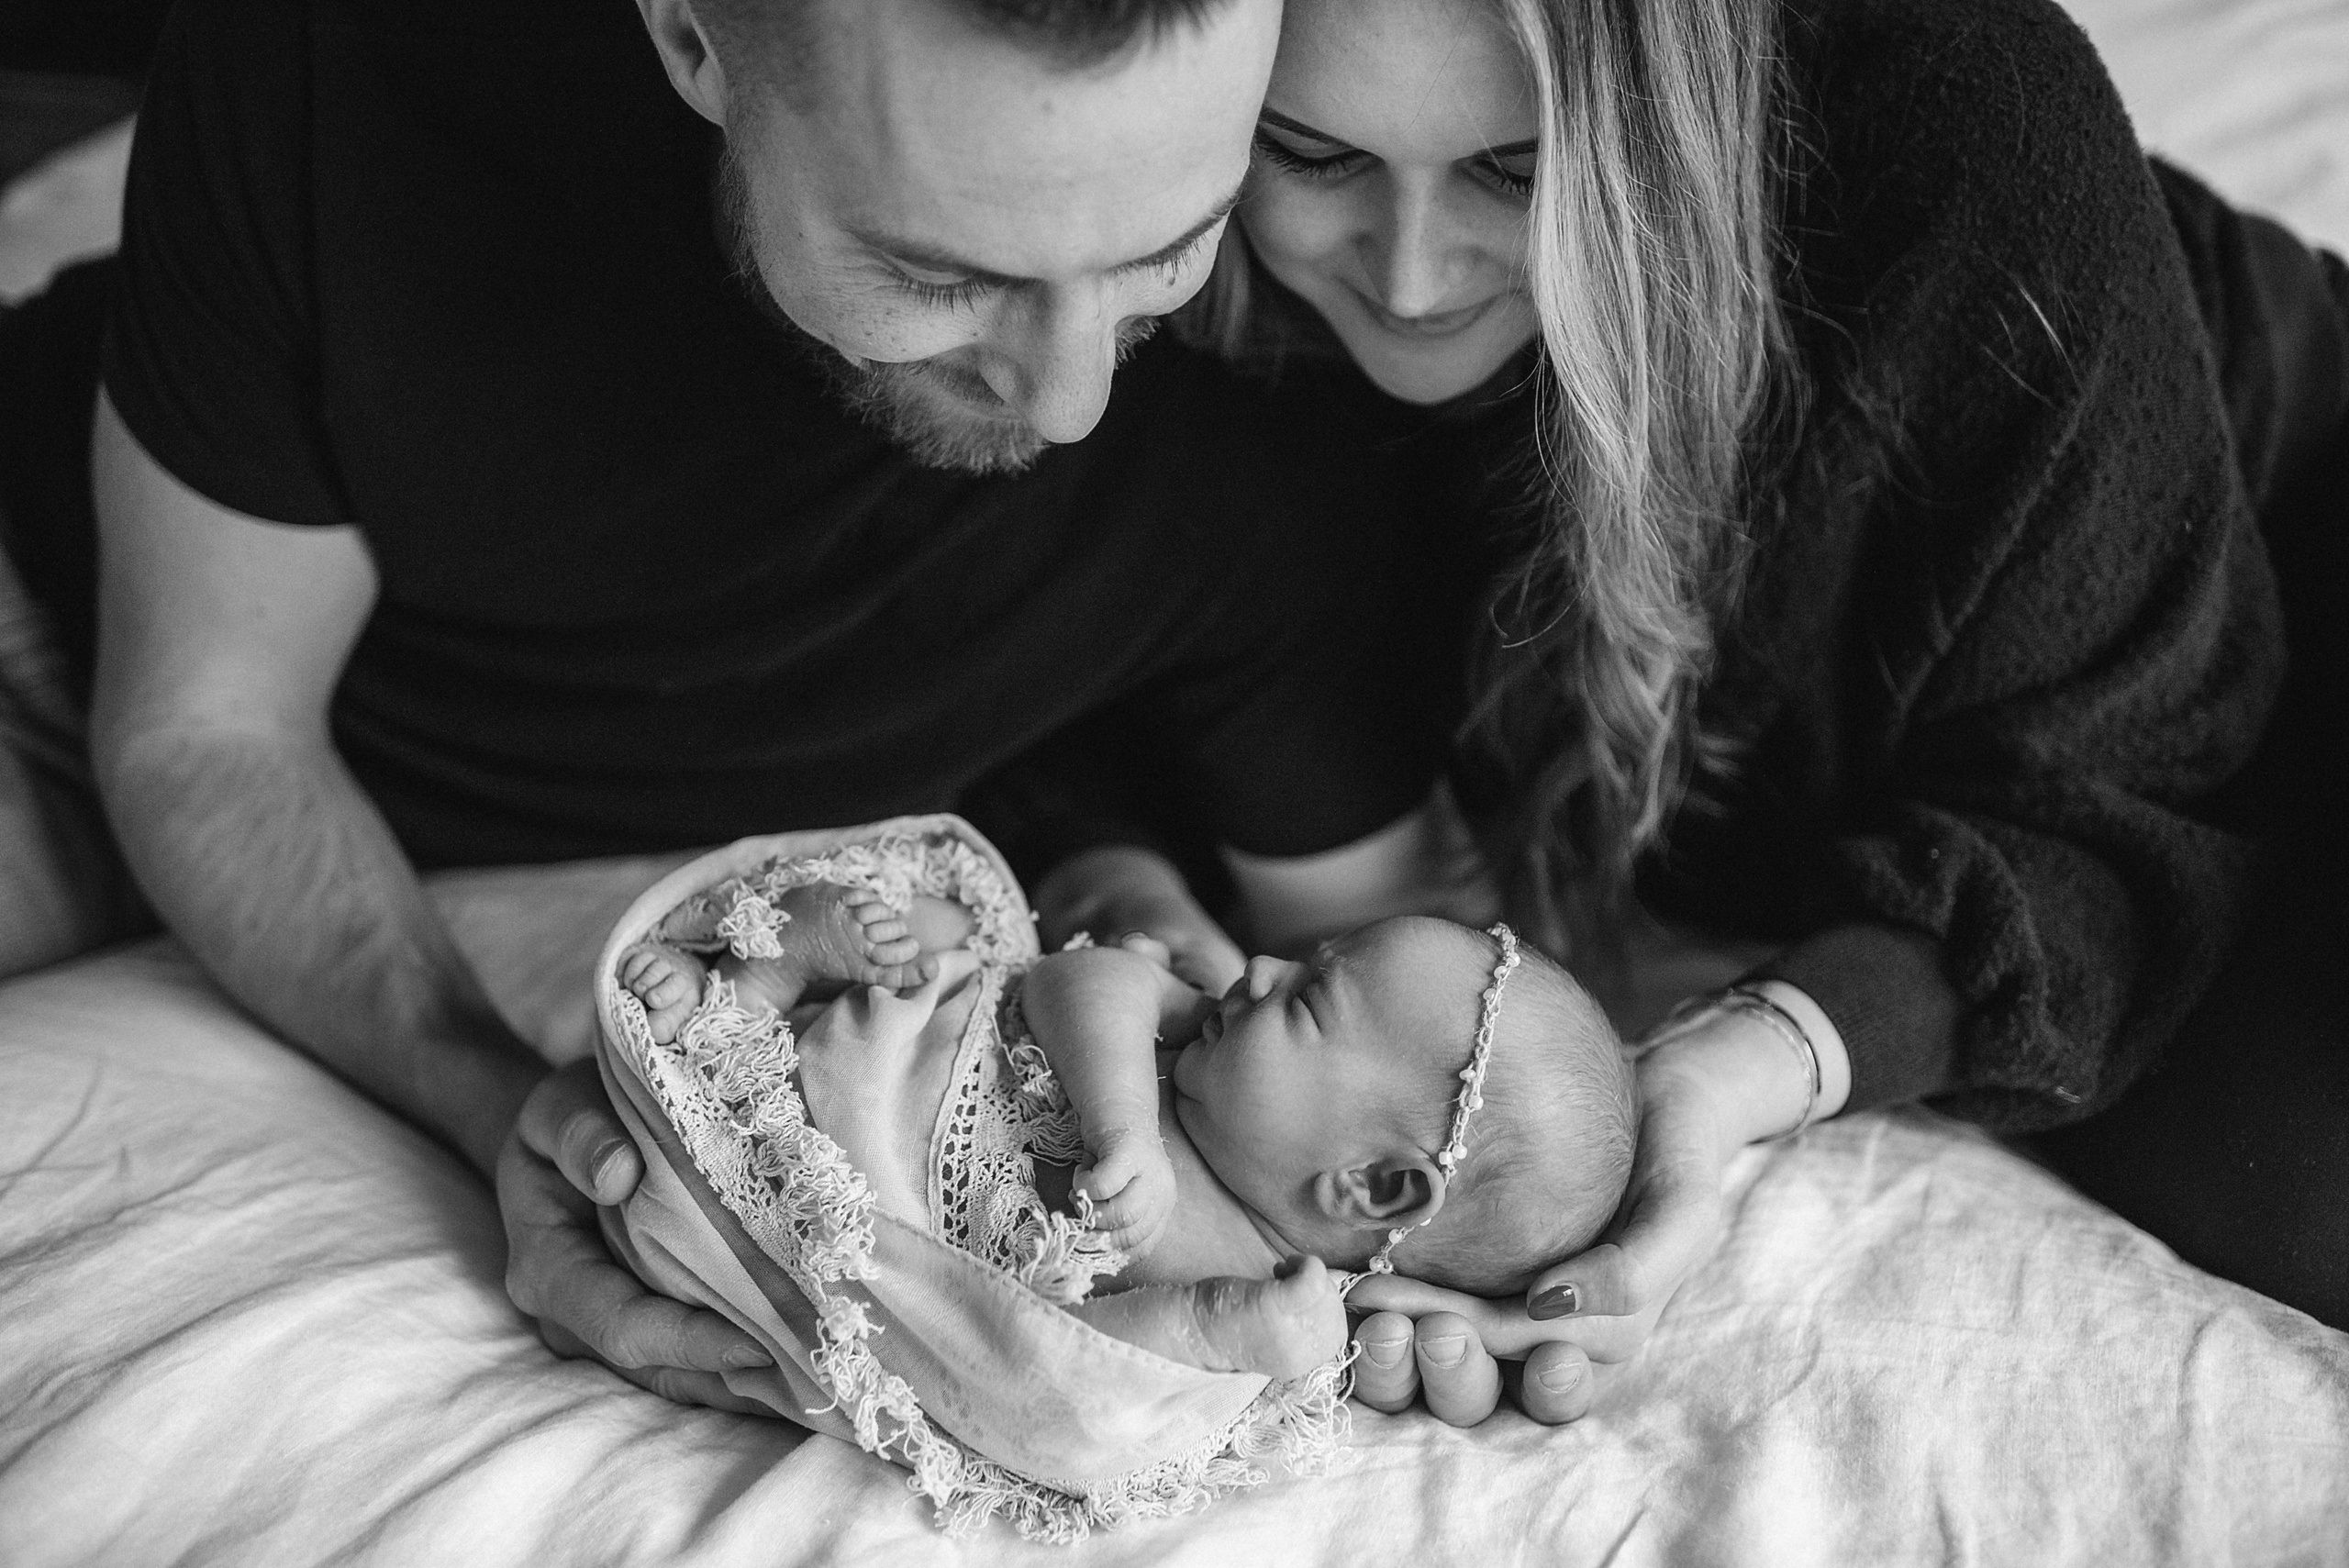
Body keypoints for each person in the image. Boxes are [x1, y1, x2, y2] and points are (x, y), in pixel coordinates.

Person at [0, 0, 1492, 1412]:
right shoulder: (360, 62)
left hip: (612, 894)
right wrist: (511, 1106)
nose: (1071, 397)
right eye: (938, 276)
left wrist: (1461, 1260)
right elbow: (207, 728)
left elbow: (1406, 1017)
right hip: (64, 653)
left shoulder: (1320, 394)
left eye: (1170, 250)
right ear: (693, 35)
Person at [1033, 0, 2337, 1428]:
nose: (1407, 280)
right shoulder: (1125, 248)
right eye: (1309, 152)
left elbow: (2109, 796)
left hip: (2253, 558)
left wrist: (1766, 1052)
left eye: (1518, 171)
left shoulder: (1952, 126)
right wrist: (1137, 924)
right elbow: (1054, 672)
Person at [609, 826, 1633, 1389]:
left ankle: (723, 1024)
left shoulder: (1277, 1292)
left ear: (1372, 1183)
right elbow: (1085, 978)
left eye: (1311, 995)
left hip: (860, 1179)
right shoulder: (1189, 1034)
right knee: (935, 924)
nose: (1263, 964)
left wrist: (1211, 1324)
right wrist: (1123, 1126)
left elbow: (1074, 1365)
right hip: (928, 1031)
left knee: (709, 1215)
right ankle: (776, 971)